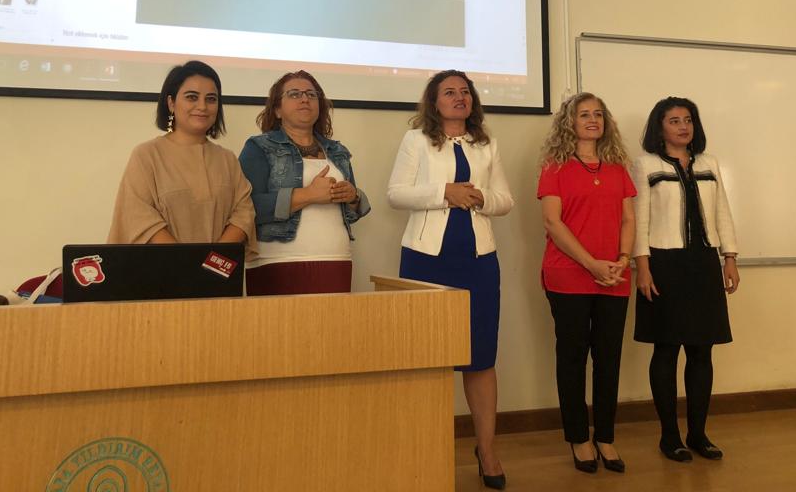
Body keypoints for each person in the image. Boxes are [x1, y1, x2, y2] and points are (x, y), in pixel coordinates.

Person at [388, 70, 513, 489]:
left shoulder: (486, 143)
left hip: (479, 261)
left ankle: (487, 451)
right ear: (434, 101)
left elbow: (505, 200)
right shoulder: (416, 140)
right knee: (427, 357)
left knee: (480, 358)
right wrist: (446, 192)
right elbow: (396, 193)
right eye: (449, 92)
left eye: (465, 92)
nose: (459, 97)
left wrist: (480, 197)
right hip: (426, 260)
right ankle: (426, 450)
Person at [631, 96, 740, 463]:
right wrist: (642, 266)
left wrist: (729, 257)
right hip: (663, 263)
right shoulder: (645, 165)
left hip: (703, 263)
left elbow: (722, 211)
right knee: (666, 349)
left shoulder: (709, 164)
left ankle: (698, 434)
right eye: (674, 120)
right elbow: (639, 218)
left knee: (701, 350)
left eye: (688, 120)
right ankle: (669, 436)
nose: (683, 126)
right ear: (659, 127)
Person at [537, 92, 636, 474]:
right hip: (568, 275)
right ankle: (579, 438)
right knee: (573, 358)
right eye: (584, 114)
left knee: (608, 359)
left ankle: (605, 437)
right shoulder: (555, 167)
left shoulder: (617, 167)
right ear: (570, 122)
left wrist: (622, 260)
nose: (592, 120)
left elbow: (628, 219)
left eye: (598, 114)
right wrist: (591, 263)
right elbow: (552, 222)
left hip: (614, 276)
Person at [238, 71, 369, 295]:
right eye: (294, 94)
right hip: (277, 263)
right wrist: (309, 194)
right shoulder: (258, 147)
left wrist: (353, 197)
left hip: (336, 259)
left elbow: (353, 211)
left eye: (311, 94)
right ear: (277, 109)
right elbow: (247, 208)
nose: (305, 99)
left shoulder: (337, 150)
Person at [108, 61, 256, 250]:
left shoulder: (227, 159)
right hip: (164, 265)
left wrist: (212, 260)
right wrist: (186, 260)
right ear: (171, 103)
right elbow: (138, 216)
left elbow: (244, 213)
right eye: (192, 97)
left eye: (211, 99)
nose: (202, 106)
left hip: (217, 266)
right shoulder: (147, 155)